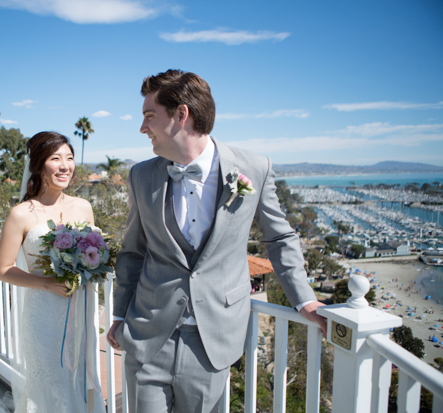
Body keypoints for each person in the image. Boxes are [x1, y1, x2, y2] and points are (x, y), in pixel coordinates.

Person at [106, 70, 327, 413]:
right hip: (148, 334)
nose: (142, 127)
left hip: (212, 341)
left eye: (149, 116)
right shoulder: (141, 175)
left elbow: (279, 236)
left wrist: (305, 301)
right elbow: (134, 251)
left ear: (181, 114)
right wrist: (119, 314)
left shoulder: (255, 168)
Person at [0, 131, 105, 413]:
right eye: (56, 158)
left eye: (69, 158)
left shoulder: (83, 206)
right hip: (43, 314)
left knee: (81, 375)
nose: (65, 165)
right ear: (39, 164)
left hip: (80, 308)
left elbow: (94, 254)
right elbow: (3, 269)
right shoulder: (21, 214)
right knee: (50, 381)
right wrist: (45, 283)